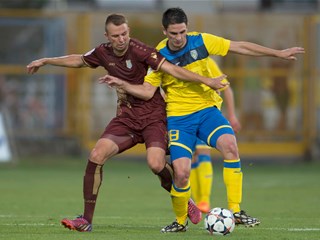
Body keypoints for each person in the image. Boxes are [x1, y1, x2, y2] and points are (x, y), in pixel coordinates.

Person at [100, 8, 304, 233]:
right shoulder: (157, 55)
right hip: (178, 117)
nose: (179, 38)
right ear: (164, 31)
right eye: (173, 33)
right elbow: (148, 91)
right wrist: (122, 84)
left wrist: (278, 53)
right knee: (181, 172)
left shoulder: (202, 41)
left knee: (230, 145)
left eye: (182, 32)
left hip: (207, 110)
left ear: (187, 27)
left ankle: (236, 211)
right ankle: (180, 222)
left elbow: (240, 46)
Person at [26, 13, 228, 232]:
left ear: (128, 31)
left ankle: (184, 198)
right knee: (96, 155)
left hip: (153, 118)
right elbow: (79, 59)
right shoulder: (102, 52)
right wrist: (47, 61)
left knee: (155, 164)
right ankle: (86, 220)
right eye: (116, 36)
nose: (121, 39)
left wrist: (207, 80)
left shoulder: (143, 51)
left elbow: (169, 73)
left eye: (124, 34)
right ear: (107, 36)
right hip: (127, 118)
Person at [190, 58, 241, 214]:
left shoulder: (206, 61)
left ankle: (204, 200)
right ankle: (197, 201)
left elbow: (227, 89)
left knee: (203, 151)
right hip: (183, 115)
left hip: (205, 114)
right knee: (191, 156)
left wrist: (232, 116)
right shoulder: (172, 61)